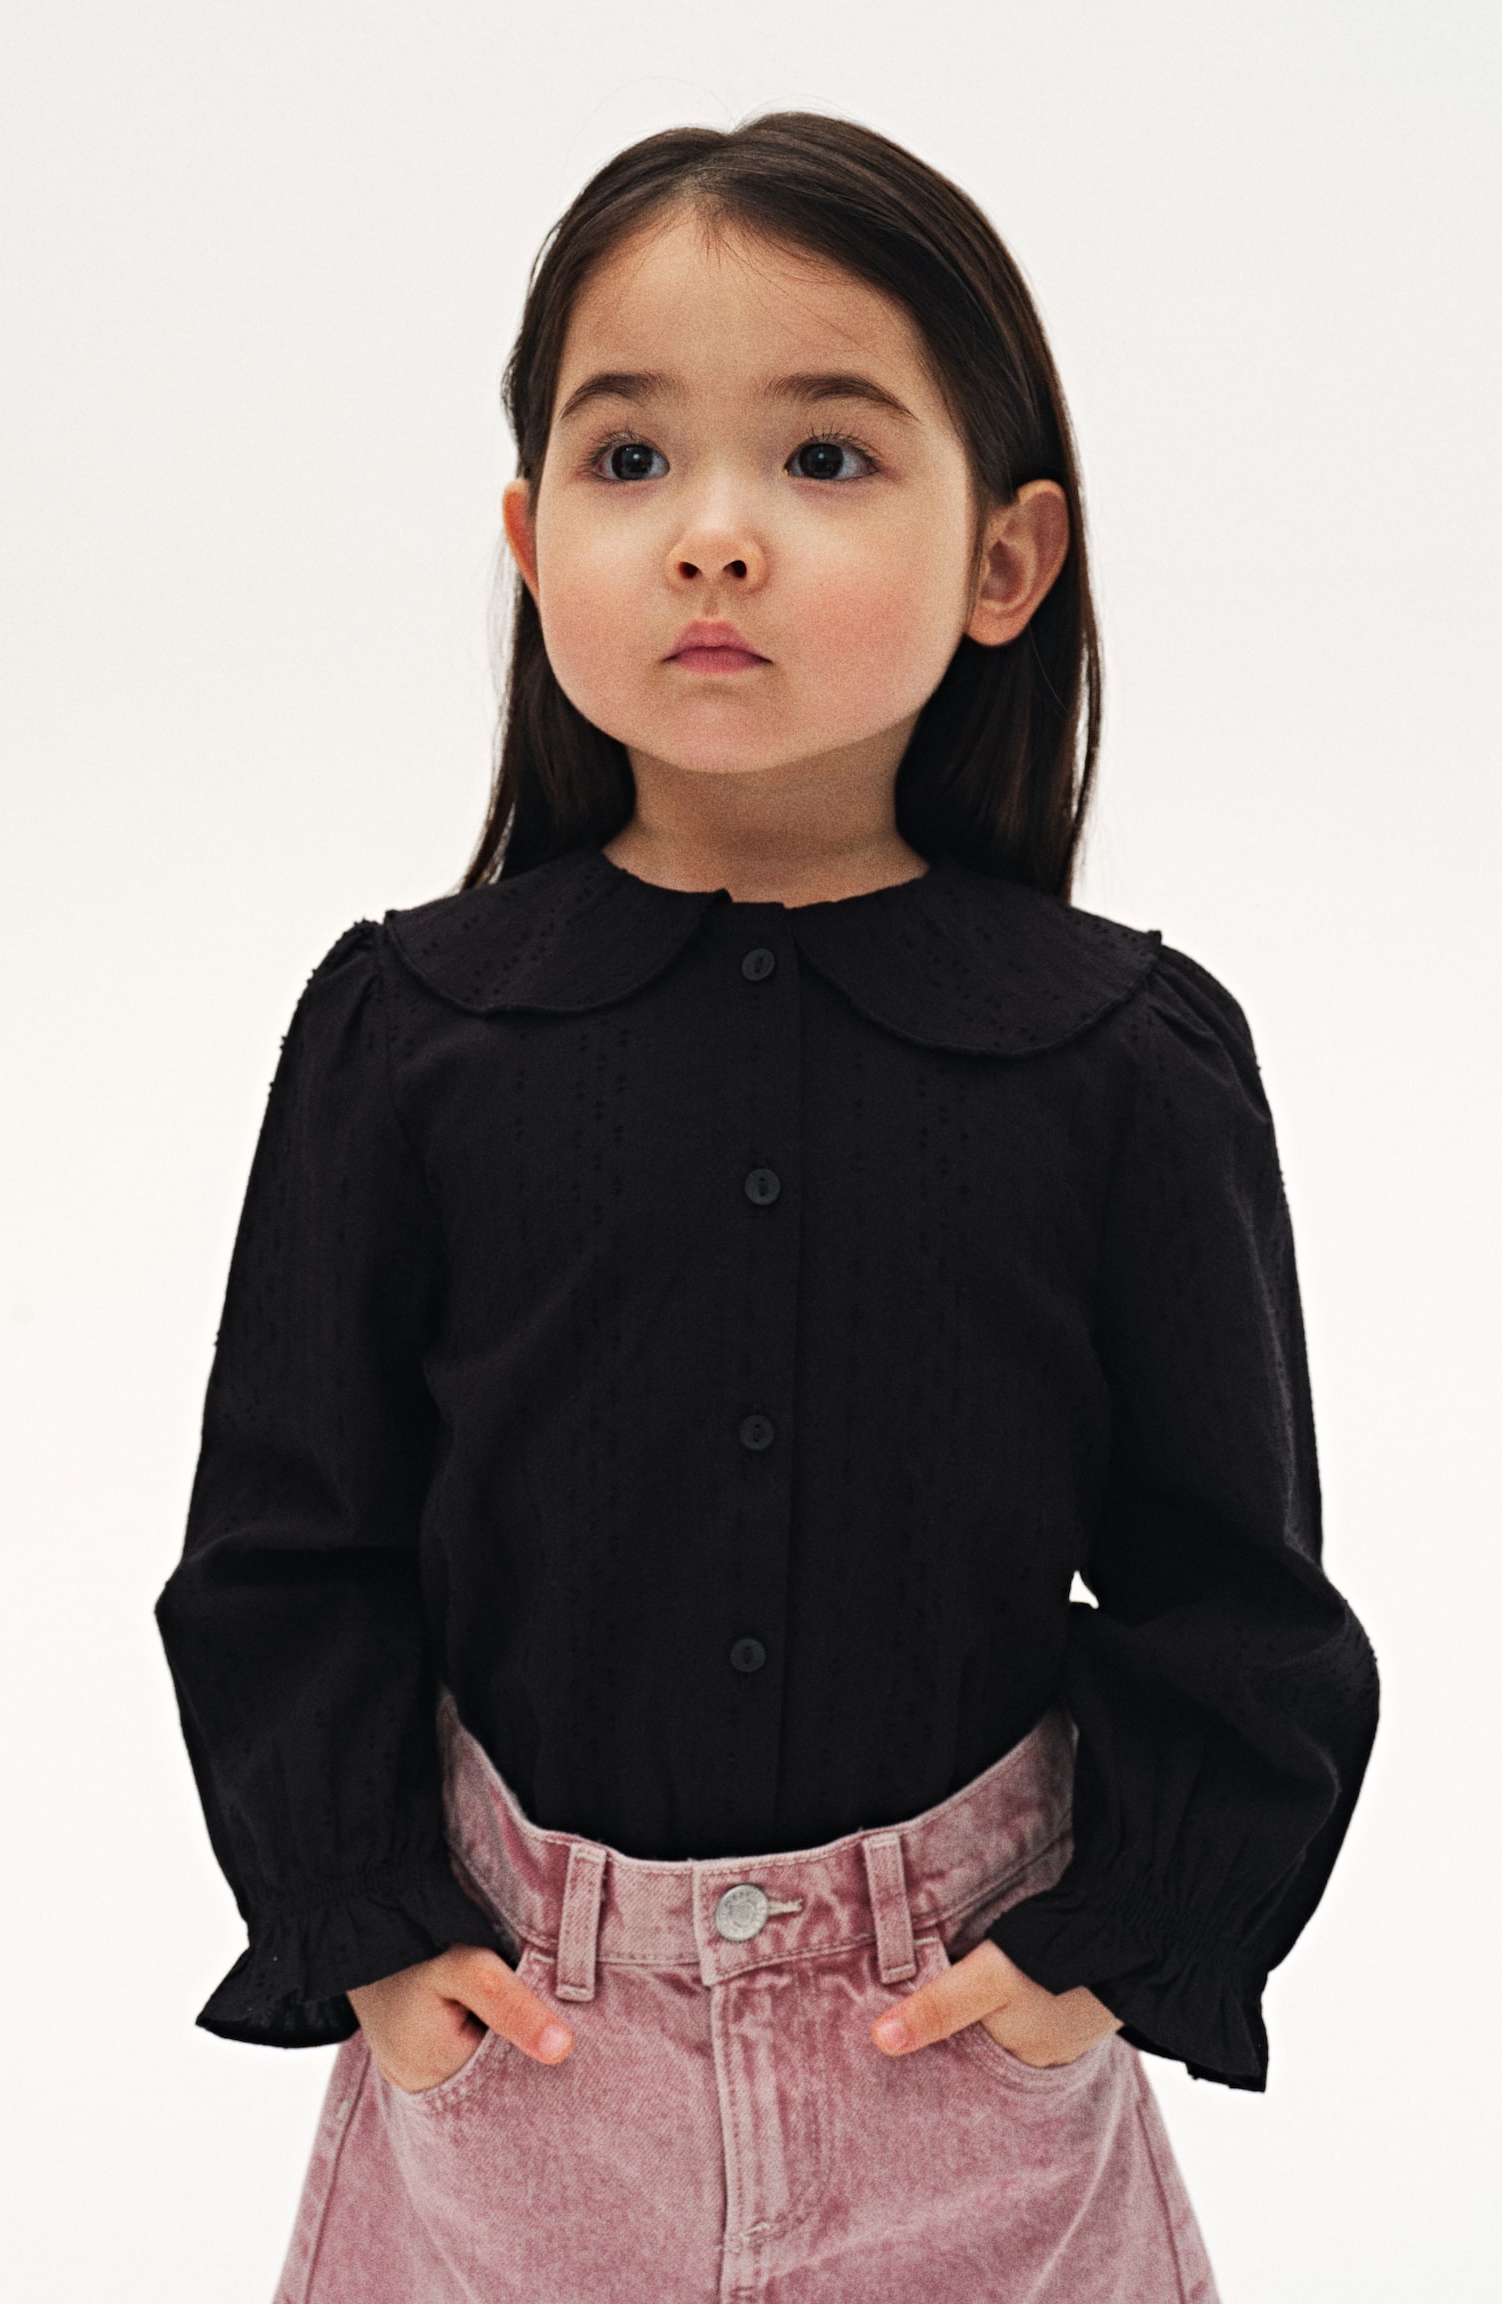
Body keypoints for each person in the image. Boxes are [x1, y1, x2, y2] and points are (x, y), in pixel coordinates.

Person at [157, 113, 1379, 2304]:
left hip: (965, 2054)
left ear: (1007, 560)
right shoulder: (408, 1031)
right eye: (631, 460)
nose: (713, 536)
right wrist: (367, 1919)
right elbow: (287, 1539)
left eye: (824, 457)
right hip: (516, 2053)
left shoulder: (1125, 1058)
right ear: (530, 542)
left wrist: (1118, 1946)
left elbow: (1233, 1582)